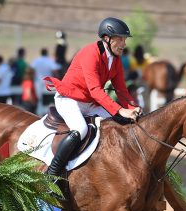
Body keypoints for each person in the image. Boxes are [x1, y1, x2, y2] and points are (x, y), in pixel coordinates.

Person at [43, 17, 141, 177]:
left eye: (124, 39)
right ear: (107, 38)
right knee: (80, 129)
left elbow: (121, 89)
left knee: (118, 125)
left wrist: (132, 108)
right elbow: (95, 90)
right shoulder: (90, 54)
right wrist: (119, 110)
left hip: (89, 102)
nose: (124, 44)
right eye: (120, 39)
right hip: (69, 99)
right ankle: (52, 174)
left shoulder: (115, 59)